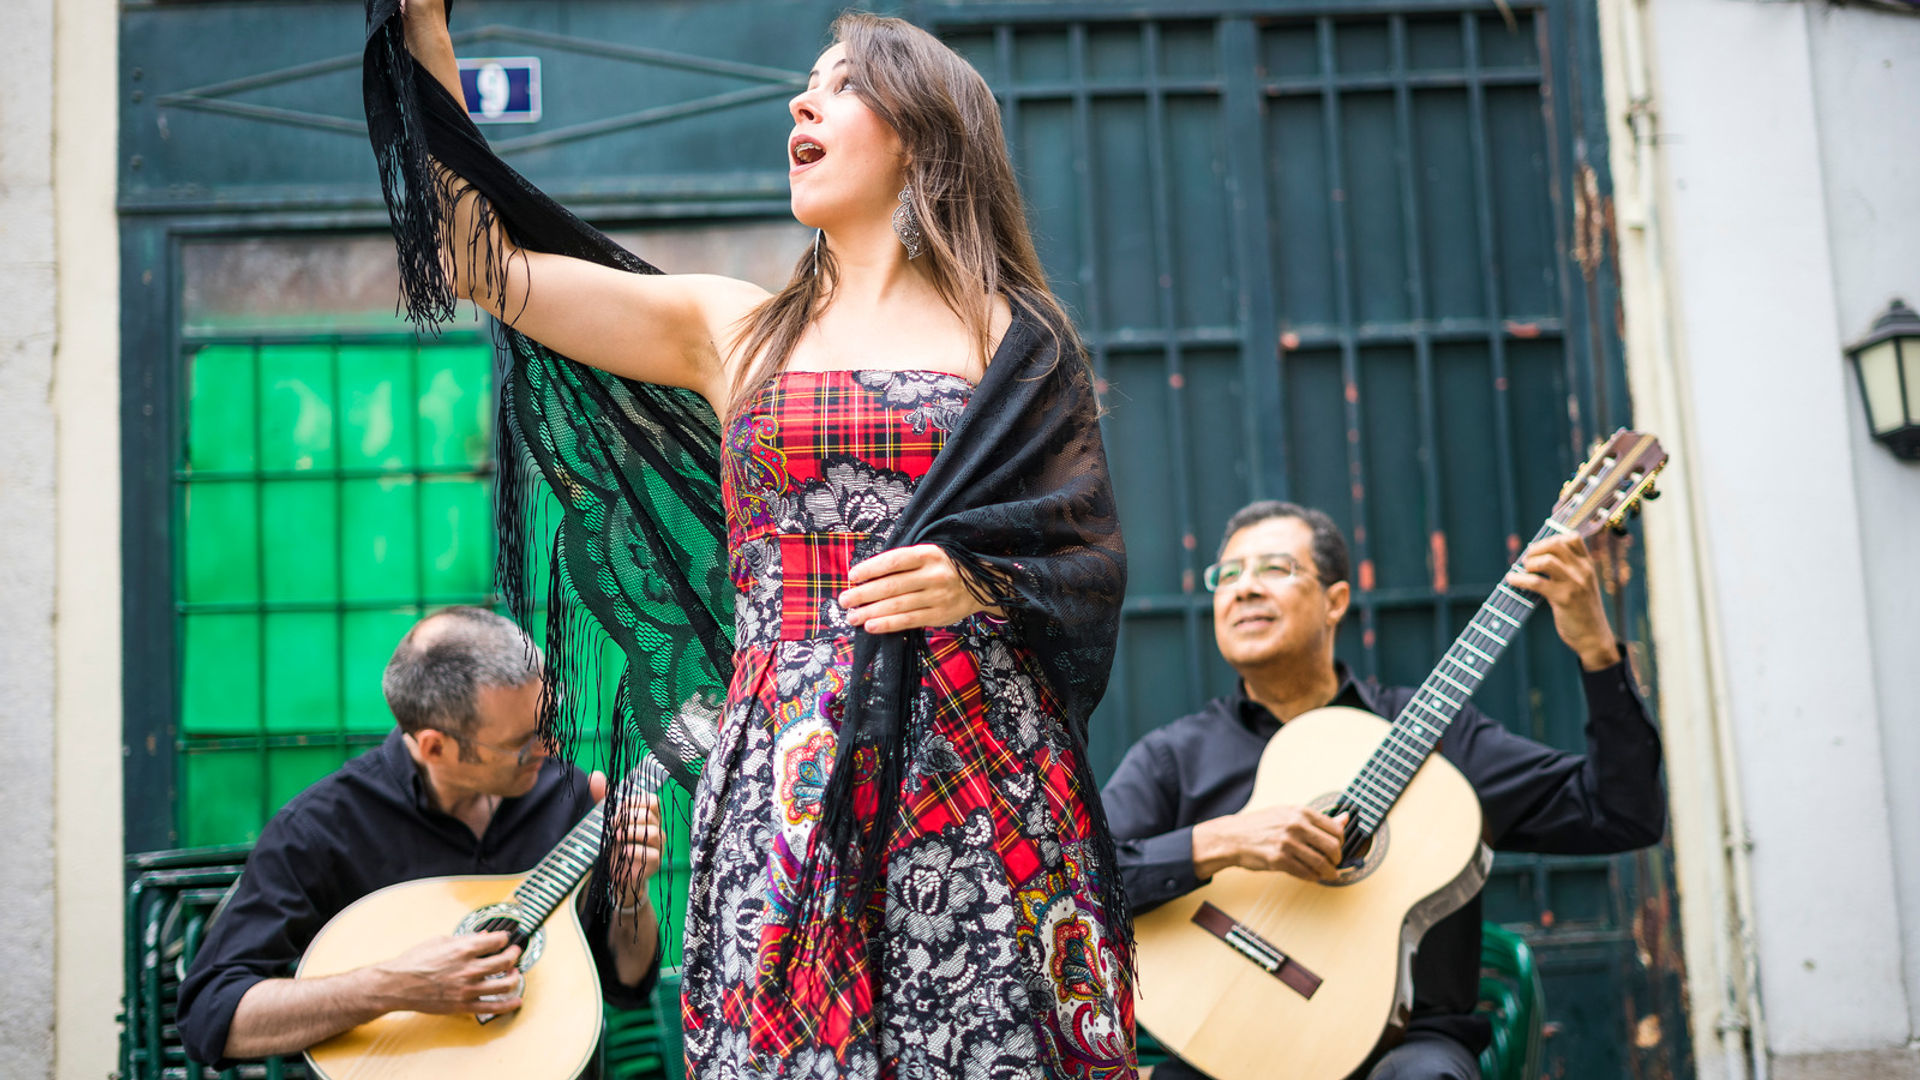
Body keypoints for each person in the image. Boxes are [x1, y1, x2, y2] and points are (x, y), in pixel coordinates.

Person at [376, 4, 1135, 1077]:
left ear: (921, 132)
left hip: (982, 759)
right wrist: (421, 30)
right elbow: (479, 261)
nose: (801, 100)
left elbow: (1084, 555)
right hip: (790, 767)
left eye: (841, 83)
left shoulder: (1011, 334)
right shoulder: (731, 328)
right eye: (803, 83)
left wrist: (980, 582)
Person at [1102, 502, 1667, 1080]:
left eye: (1274, 569)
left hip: (1402, 1049)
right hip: (1227, 1049)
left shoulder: (1437, 736)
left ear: (1336, 601)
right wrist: (1222, 841)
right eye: (1228, 574)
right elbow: (1077, 880)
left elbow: (1622, 814)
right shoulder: (1174, 755)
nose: (1244, 588)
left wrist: (1598, 652)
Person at [175, 607, 664, 1070]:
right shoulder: (321, 830)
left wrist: (629, 891)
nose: (553, 746)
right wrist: (394, 987)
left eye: (551, 721)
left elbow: (627, 984)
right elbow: (210, 1017)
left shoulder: (566, 794)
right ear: (435, 745)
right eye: (523, 743)